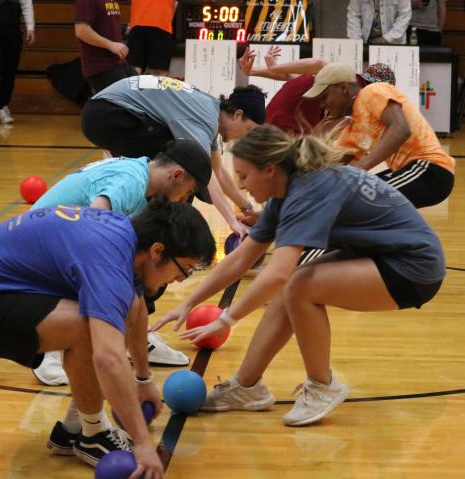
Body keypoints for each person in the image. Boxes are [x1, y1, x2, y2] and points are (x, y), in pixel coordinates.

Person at [152, 125, 445, 427]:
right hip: (379, 253)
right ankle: (246, 388)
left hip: (413, 266)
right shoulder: (286, 193)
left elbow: (278, 273)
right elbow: (242, 257)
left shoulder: (310, 189)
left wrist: (227, 319)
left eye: (243, 175)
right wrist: (189, 302)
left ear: (269, 169)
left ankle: (322, 386)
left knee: (297, 284)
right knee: (293, 285)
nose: (240, 186)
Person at [0, 200, 215, 479]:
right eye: (183, 269)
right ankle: (93, 434)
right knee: (88, 327)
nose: (178, 280)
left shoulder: (128, 238)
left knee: (117, 310)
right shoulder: (108, 261)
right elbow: (108, 359)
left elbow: (136, 309)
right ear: (158, 250)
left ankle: (73, 429)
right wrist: (144, 444)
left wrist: (143, 378)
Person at [31, 138, 212, 386]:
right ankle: (49, 348)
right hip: (38, 250)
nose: (183, 200)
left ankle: (135, 337)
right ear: (177, 175)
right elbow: (92, 226)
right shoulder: (131, 181)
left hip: (56, 242)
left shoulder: (140, 176)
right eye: (188, 192)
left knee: (154, 258)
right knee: (109, 260)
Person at [82, 75, 267, 237]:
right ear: (237, 114)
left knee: (186, 171)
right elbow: (207, 174)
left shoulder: (210, 111)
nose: (244, 136)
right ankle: (155, 232)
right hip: (107, 114)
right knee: (185, 167)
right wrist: (232, 222)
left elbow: (218, 171)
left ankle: (150, 228)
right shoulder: (204, 118)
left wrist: (246, 209)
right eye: (248, 129)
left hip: (103, 112)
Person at [303, 63, 454, 208]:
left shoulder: (372, 91)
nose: (322, 104)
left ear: (344, 88)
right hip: (413, 172)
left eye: (325, 97)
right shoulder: (355, 126)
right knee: (351, 196)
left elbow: (401, 129)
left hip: (429, 170)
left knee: (360, 201)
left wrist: (363, 165)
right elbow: (337, 163)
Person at [238, 46, 328, 136]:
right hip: (278, 130)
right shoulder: (327, 81)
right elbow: (320, 65)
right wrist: (254, 71)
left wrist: (254, 71)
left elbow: (288, 75)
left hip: (280, 132)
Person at [74, 0, 136, 93]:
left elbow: (104, 26)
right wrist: (111, 45)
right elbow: (81, 31)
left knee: (141, 94)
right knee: (128, 101)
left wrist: (123, 30)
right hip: (101, 66)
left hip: (118, 62)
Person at [126, 0, 177, 76]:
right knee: (160, 70)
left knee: (135, 67)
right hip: (161, 24)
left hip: (137, 23)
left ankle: (133, 87)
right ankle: (158, 87)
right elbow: (175, 3)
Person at [347, 0, 412, 45]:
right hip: (366, 43)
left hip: (394, 42)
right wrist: (356, 40)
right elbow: (353, 15)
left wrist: (387, 38)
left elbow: (404, 16)